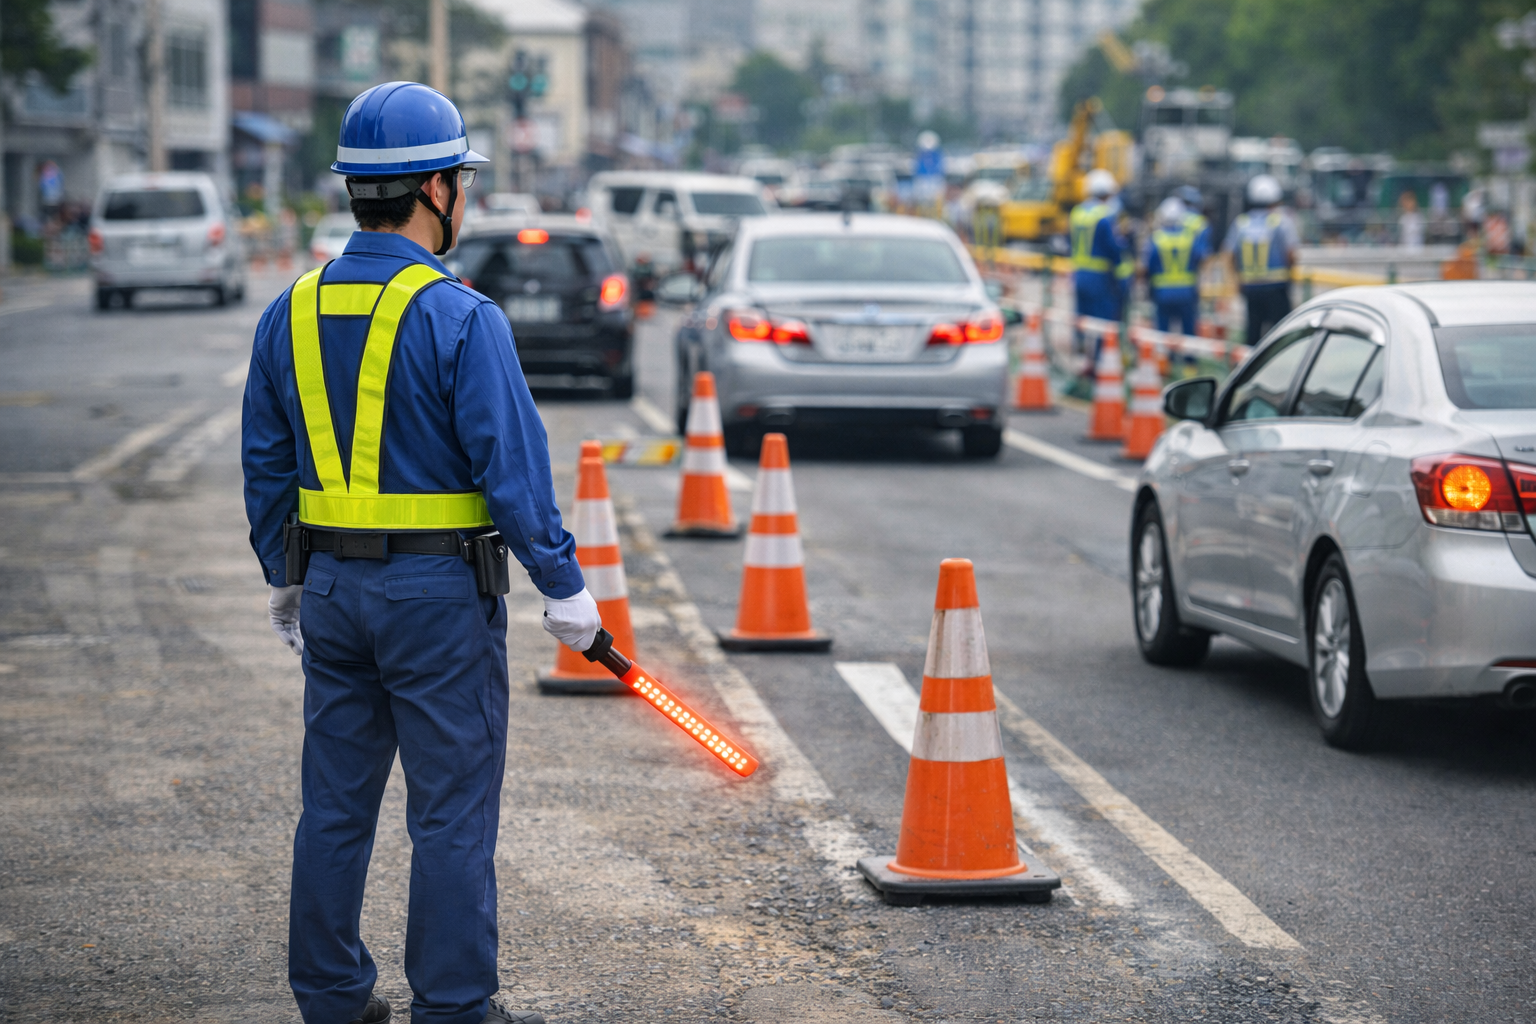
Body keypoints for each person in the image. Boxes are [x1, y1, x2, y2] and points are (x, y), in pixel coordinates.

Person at [242, 81, 602, 1024]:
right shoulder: (461, 316)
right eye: (462, 182)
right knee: (449, 812)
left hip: (331, 594)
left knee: (333, 808)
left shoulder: (291, 310)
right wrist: (563, 585)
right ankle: (452, 1006)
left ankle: (331, 997)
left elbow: (266, 464)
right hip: (440, 601)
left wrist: (284, 578)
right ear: (436, 188)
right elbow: (512, 470)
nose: (464, 196)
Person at [1223, 173, 1299, 346]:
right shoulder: (1282, 222)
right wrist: (1290, 274)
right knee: (1281, 335)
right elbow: (1291, 254)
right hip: (1277, 287)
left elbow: (1229, 254)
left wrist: (1237, 279)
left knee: (1253, 334)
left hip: (1251, 288)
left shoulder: (1241, 223)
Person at [1069, 169, 1130, 327]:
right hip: (1100, 278)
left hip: (1079, 274)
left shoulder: (1077, 212)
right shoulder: (1105, 215)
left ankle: (1080, 342)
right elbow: (1113, 247)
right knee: (1102, 324)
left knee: (1081, 321)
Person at [1144, 197, 1207, 343]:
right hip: (1187, 293)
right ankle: (1189, 358)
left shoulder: (1156, 239)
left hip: (1163, 293)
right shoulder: (1190, 238)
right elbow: (1199, 259)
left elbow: (1149, 266)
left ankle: (1164, 357)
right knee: (1189, 334)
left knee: (1162, 335)